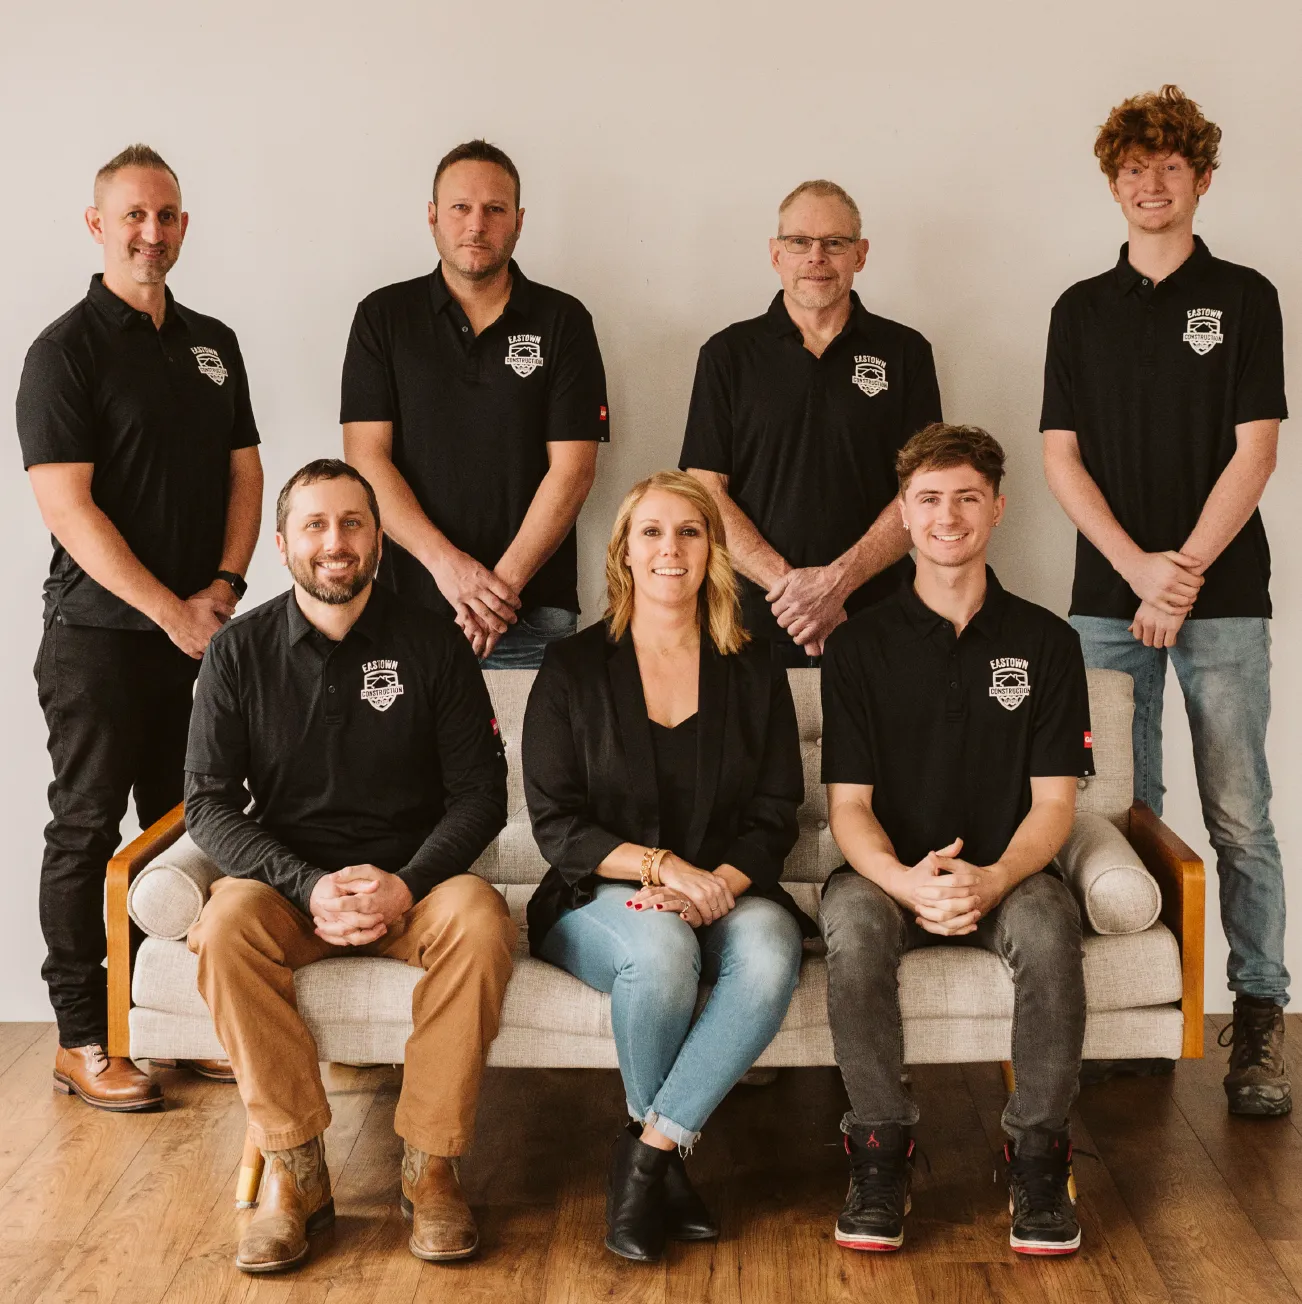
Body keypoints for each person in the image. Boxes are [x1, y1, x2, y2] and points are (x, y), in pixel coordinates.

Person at [184, 460, 513, 1272]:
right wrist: (309, 886)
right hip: (291, 888)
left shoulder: (432, 641)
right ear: (284, 541)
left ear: (376, 538)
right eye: (317, 525)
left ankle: (430, 1167)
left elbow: (481, 795)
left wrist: (405, 884)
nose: (336, 542)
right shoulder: (238, 652)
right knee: (222, 925)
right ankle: (296, 1175)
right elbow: (207, 803)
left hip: (416, 885)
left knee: (481, 918)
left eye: (353, 523)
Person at [1041, 85, 1290, 1116]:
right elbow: (1061, 458)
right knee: (1114, 808)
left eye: (1169, 167)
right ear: (1114, 182)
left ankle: (1259, 1017)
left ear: (1202, 179)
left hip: (1222, 596)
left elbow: (1258, 447)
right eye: (1133, 168)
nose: (1150, 183)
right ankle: (1138, 1011)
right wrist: (1137, 569)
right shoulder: (1079, 309)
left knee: (1240, 812)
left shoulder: (1243, 296)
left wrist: (1179, 569)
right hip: (1107, 598)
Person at [16, 144, 263, 1110]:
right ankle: (84, 1037)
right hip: (97, 639)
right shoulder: (62, 351)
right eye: (131, 217)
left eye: (165, 216)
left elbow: (246, 470)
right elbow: (68, 507)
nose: (150, 233)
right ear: (96, 225)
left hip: (198, 629)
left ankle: (170, 1026)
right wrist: (172, 611)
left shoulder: (213, 342)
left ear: (184, 226)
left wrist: (226, 589)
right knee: (86, 828)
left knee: (180, 823)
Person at [522, 470, 812, 1262]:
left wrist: (714, 885)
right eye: (650, 531)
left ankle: (647, 1155)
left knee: (771, 948)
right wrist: (663, 870)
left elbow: (774, 812)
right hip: (599, 894)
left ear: (712, 550)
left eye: (689, 530)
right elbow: (556, 824)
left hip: (729, 887)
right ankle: (663, 1168)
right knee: (660, 950)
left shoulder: (752, 669)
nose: (670, 549)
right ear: (623, 552)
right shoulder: (572, 668)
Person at [820, 423, 1093, 1256]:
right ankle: (879, 1151)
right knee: (856, 928)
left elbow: (1054, 805)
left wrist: (995, 878)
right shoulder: (858, 644)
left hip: (1007, 872)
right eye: (929, 499)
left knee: (1051, 928)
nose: (948, 516)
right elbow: (849, 808)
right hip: (887, 872)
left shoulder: (1049, 643)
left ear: (998, 509)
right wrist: (908, 883)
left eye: (967, 497)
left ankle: (1039, 1158)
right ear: (903, 513)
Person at [342, 139, 609, 668]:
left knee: (532, 755)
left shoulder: (563, 322)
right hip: (409, 605)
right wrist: (450, 570)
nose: (476, 224)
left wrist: (497, 594)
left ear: (519, 220)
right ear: (433, 216)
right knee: (407, 756)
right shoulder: (383, 317)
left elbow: (574, 470)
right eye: (461, 207)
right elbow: (366, 459)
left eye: (495, 209)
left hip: (531, 612)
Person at [680, 179, 942, 667]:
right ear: (776, 254)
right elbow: (705, 493)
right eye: (799, 241)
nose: (816, 256)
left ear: (860, 254)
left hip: (879, 618)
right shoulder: (727, 355)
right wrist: (795, 592)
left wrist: (836, 584)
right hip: (752, 622)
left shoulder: (906, 353)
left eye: (834, 243)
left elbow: (923, 491)